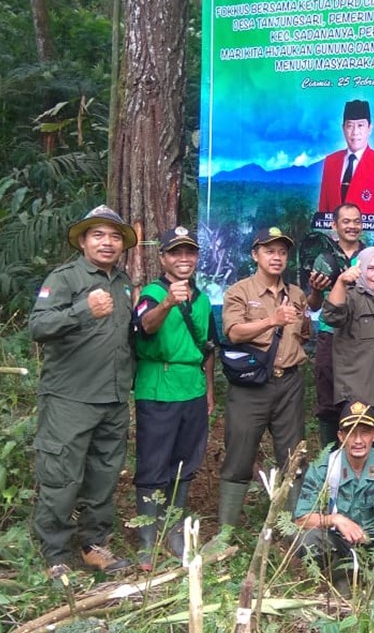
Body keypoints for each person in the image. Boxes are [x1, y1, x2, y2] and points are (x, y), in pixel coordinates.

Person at [29, 205, 138, 575]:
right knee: (61, 476)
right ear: (83, 241)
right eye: (98, 235)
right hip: (69, 398)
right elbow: (38, 326)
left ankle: (94, 545)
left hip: (113, 397)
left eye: (115, 236)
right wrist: (82, 310)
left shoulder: (123, 282)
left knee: (104, 476)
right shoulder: (65, 278)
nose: (107, 242)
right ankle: (56, 555)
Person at [210, 226, 311, 547]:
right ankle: (226, 533)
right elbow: (233, 332)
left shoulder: (296, 294)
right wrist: (272, 321)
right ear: (256, 255)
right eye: (269, 251)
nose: (276, 257)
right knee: (239, 455)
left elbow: (303, 333)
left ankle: (291, 529)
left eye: (282, 252)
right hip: (251, 386)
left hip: (289, 383)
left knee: (293, 458)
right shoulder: (239, 291)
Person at [132, 226, 215, 570]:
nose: (184, 259)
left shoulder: (203, 299)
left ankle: (174, 529)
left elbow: (208, 347)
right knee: (154, 461)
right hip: (159, 386)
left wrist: (209, 391)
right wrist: (168, 302)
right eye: (176, 252)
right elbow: (145, 326)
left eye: (189, 252)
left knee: (185, 462)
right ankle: (147, 538)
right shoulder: (152, 294)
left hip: (192, 387)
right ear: (163, 258)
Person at [294, 401, 374, 584]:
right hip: (339, 543)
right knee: (307, 539)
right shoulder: (324, 467)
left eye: (365, 433)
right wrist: (335, 520)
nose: (358, 440)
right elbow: (301, 519)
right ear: (341, 436)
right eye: (351, 433)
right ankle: (332, 576)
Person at [321, 247, 374, 451]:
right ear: (360, 271)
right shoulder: (351, 297)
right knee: (354, 452)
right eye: (371, 268)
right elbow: (332, 316)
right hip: (357, 396)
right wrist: (341, 282)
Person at [306, 203, 366, 446]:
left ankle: (360, 451)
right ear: (334, 225)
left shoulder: (371, 256)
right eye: (346, 221)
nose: (352, 226)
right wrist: (315, 291)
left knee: (362, 398)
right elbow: (313, 306)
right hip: (330, 335)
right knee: (329, 399)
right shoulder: (324, 258)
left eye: (356, 221)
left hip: (362, 336)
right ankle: (329, 454)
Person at [317, 99, 374, 216]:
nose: (355, 132)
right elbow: (322, 214)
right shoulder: (330, 162)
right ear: (343, 129)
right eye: (350, 126)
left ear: (370, 128)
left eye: (360, 125)